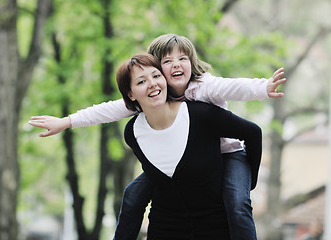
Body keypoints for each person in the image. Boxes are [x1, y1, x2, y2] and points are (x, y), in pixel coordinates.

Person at [29, 34, 285, 239]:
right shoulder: (151, 99)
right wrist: (66, 121)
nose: (176, 65)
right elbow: (106, 110)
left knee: (237, 203)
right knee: (132, 194)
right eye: (167, 61)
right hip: (181, 165)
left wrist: (263, 87)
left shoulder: (203, 88)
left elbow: (235, 88)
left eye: (183, 59)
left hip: (228, 154)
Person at [116, 53, 262, 239]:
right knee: (132, 194)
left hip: (216, 228)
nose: (152, 84)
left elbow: (253, 132)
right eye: (141, 82)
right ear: (130, 94)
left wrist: (250, 179)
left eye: (156, 75)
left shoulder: (201, 114)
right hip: (164, 229)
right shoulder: (133, 133)